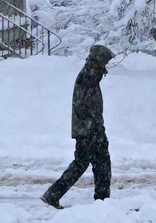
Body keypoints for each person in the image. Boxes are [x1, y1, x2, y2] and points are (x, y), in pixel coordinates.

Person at [41, 45, 117, 208]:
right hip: (88, 129)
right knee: (82, 163)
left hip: (93, 127)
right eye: (105, 61)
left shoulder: (92, 74)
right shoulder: (87, 76)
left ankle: (103, 200)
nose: (106, 65)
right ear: (99, 60)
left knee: (102, 162)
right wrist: (92, 124)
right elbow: (83, 104)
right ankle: (53, 194)